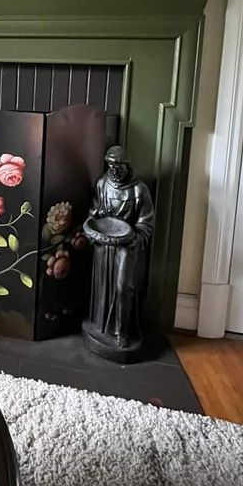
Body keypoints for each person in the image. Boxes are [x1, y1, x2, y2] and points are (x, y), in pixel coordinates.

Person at [83, 146, 154, 356]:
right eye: (111, 166)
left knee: (122, 287)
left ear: (127, 165)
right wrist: (89, 227)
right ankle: (100, 325)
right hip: (103, 244)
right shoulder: (102, 184)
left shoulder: (139, 190)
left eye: (118, 166)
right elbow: (94, 212)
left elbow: (146, 223)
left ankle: (121, 331)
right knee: (102, 285)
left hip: (127, 247)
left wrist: (133, 237)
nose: (114, 170)